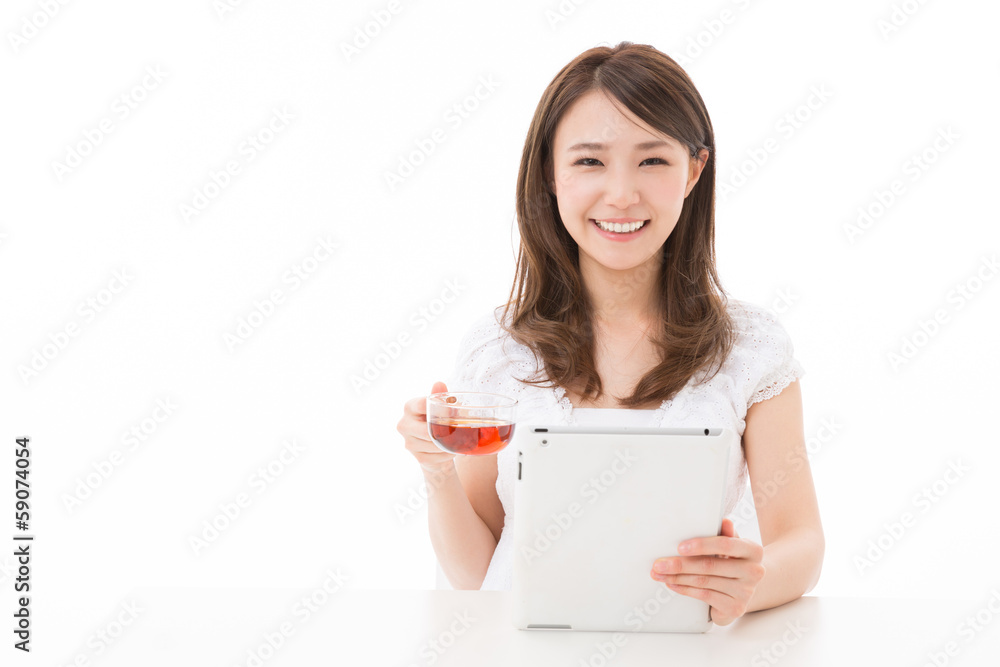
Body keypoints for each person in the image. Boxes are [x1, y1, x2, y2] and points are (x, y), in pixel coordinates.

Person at [397, 41, 823, 626]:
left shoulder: (750, 348)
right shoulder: (500, 349)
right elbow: (480, 576)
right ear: (550, 172)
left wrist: (747, 584)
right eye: (590, 162)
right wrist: (437, 471)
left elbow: (801, 542)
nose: (621, 195)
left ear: (694, 170)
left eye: (652, 161)